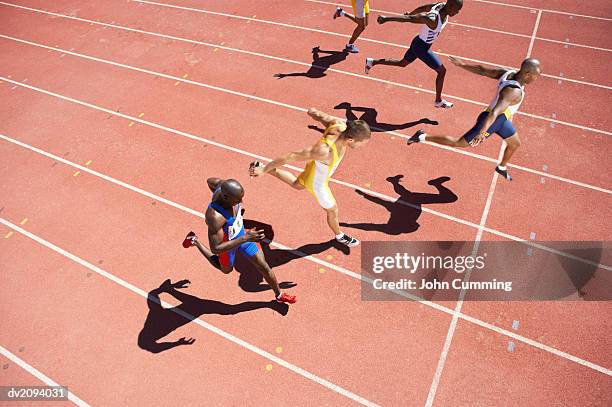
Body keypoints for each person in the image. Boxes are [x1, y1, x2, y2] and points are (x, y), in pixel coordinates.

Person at [249, 108, 371, 247]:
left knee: (297, 184)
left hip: (315, 168)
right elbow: (291, 156)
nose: (363, 146)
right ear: (350, 139)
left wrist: (312, 112)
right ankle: (340, 236)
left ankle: (261, 167)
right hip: (318, 183)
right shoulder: (324, 151)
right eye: (362, 143)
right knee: (333, 210)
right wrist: (264, 170)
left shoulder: (339, 125)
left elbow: (320, 116)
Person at [407, 57, 542, 180]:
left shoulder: (509, 73)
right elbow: (494, 112)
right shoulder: (513, 91)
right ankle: (422, 136)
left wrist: (463, 65)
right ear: (527, 74)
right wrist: (482, 132)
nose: (536, 79)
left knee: (514, 143)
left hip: (502, 120)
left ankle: (501, 167)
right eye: (536, 76)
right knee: (459, 143)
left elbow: (482, 70)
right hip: (491, 120)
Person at [182, 178, 296, 303]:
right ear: (225, 197)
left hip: (243, 236)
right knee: (226, 270)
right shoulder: (215, 217)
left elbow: (209, 181)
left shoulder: (221, 185)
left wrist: (243, 234)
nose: (241, 201)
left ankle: (279, 295)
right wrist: (245, 238)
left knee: (263, 266)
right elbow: (216, 248)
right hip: (228, 244)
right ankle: (195, 241)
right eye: (237, 200)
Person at [365, 0, 464, 108]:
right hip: (422, 48)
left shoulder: (440, 5)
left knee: (402, 63)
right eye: (457, 10)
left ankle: (372, 62)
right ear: (450, 6)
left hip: (418, 42)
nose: (458, 12)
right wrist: (387, 18)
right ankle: (438, 101)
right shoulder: (433, 19)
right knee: (442, 71)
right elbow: (410, 19)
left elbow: (424, 7)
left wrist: (411, 12)